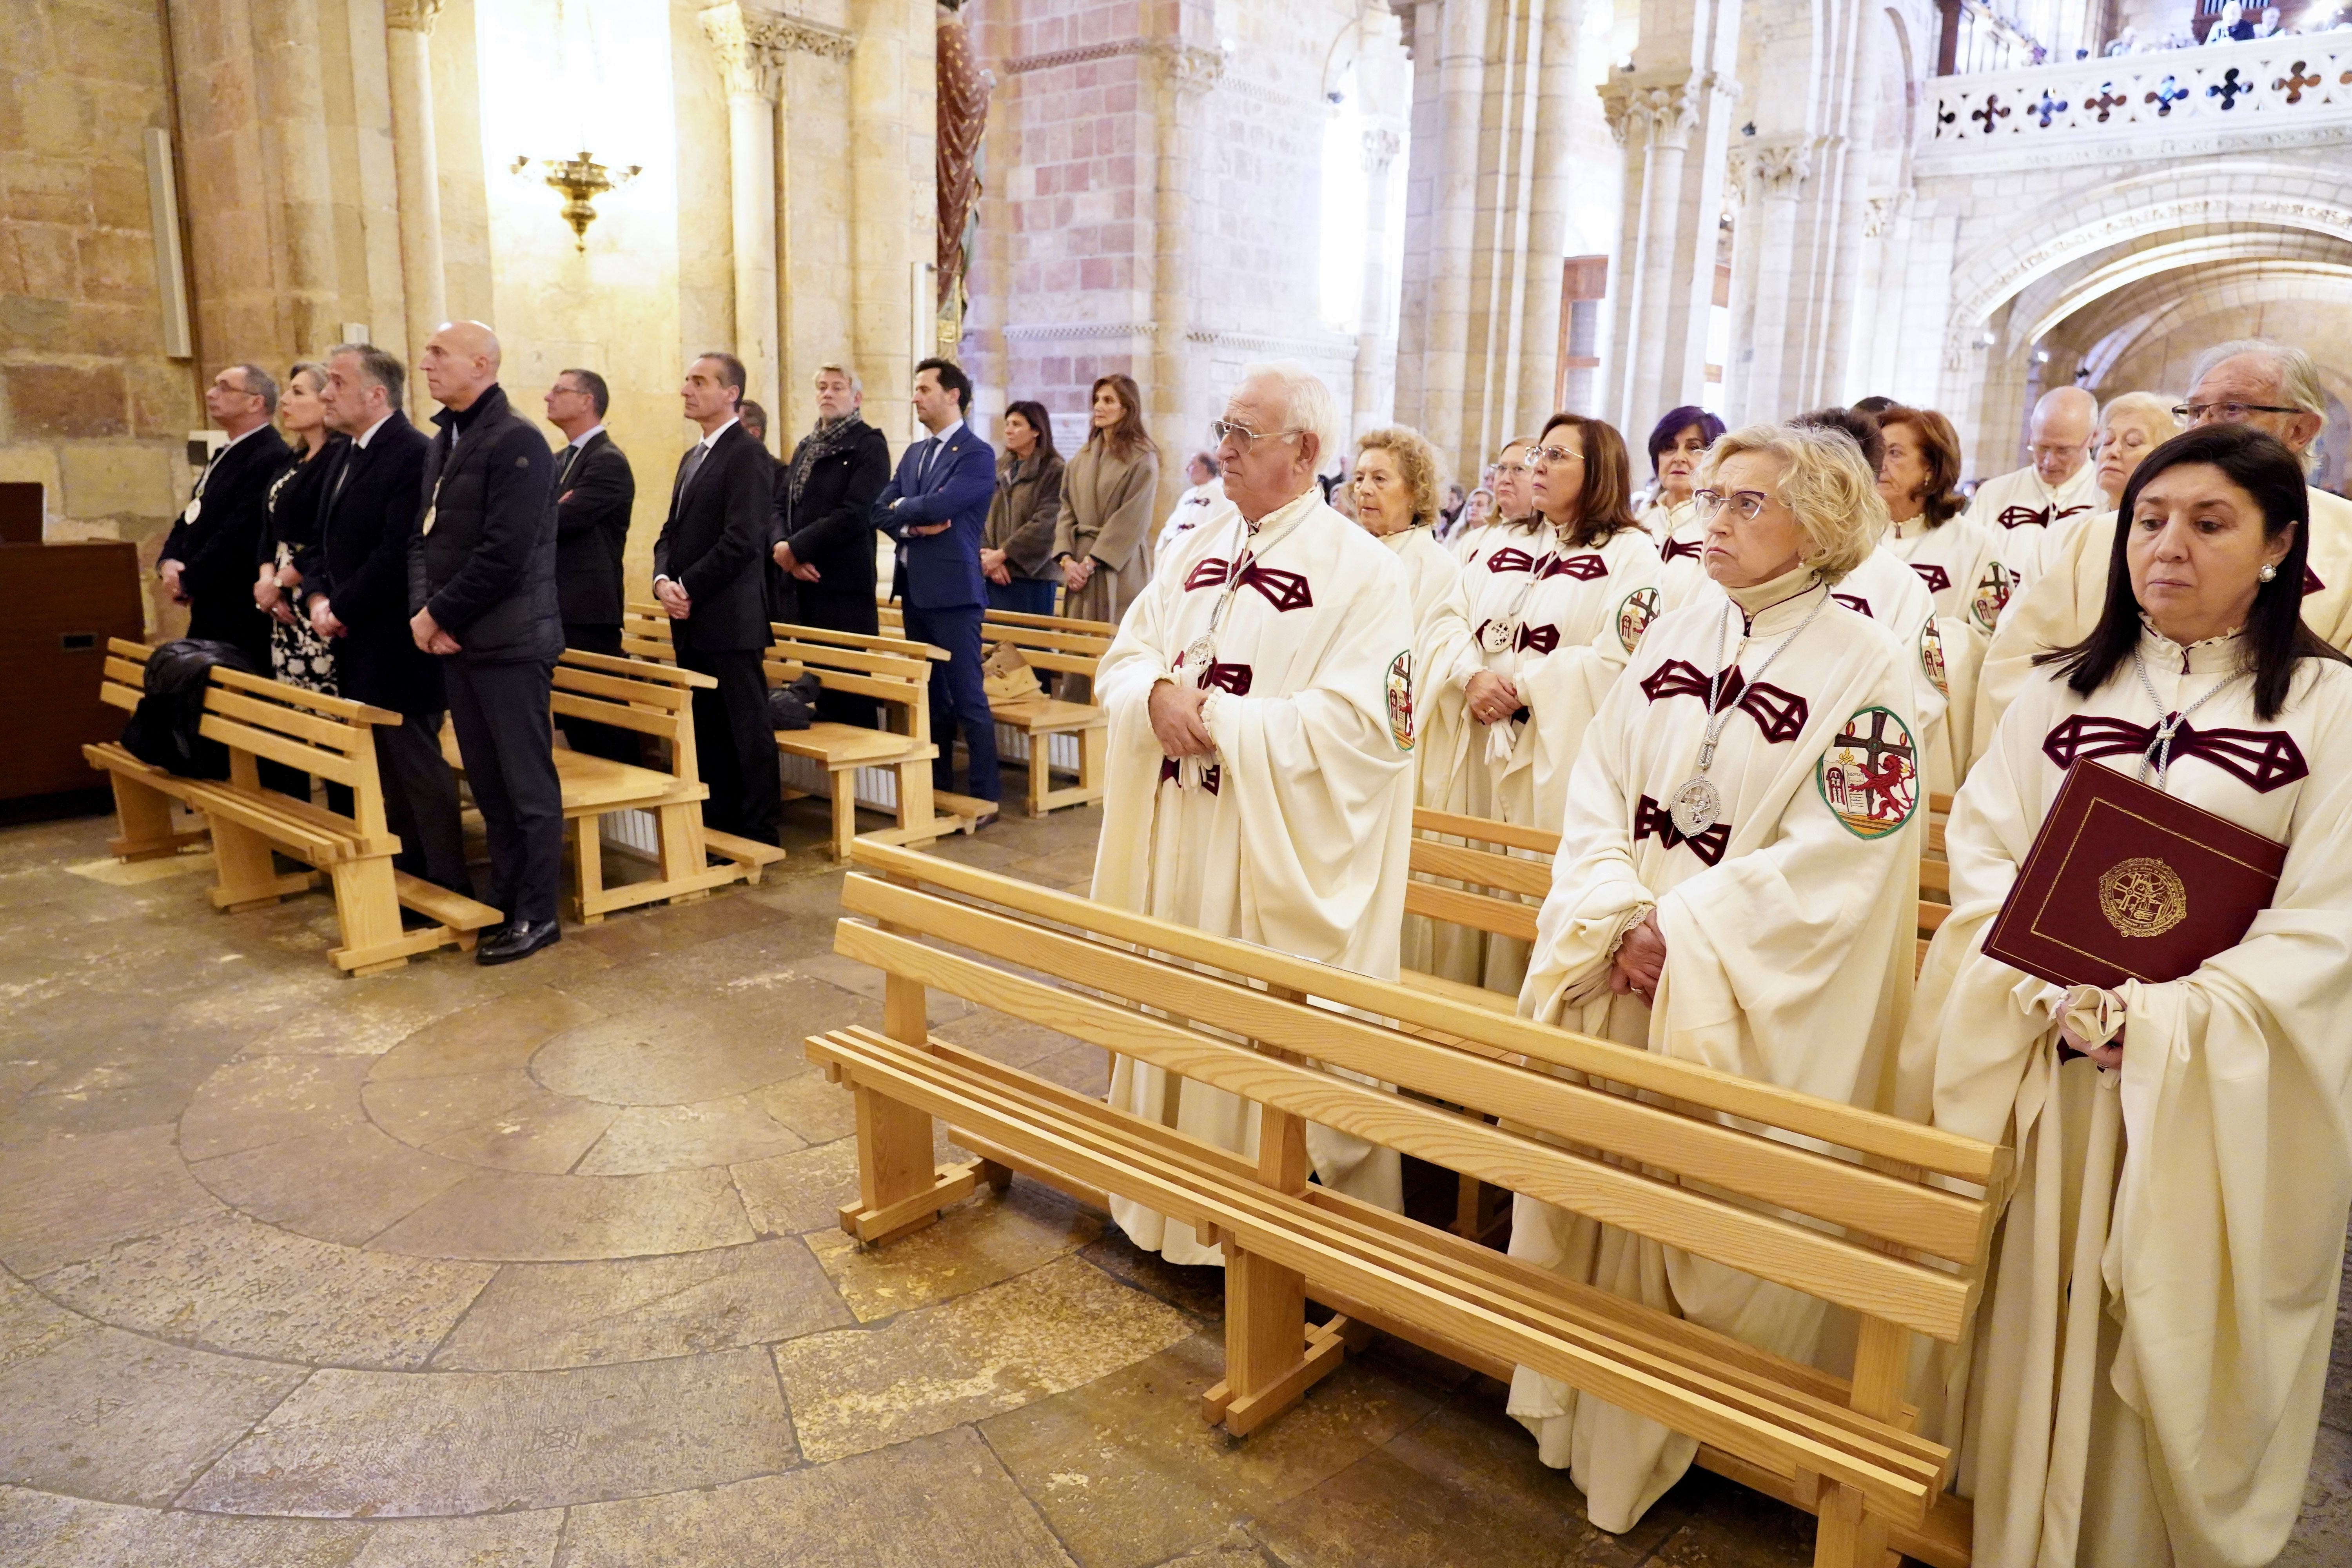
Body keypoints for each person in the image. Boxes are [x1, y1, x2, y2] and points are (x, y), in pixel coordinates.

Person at [1898, 426, 2352, 1568]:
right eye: (2148, 520)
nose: (2167, 545)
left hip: (2194, 1092)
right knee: (2026, 1318)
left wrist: (2165, 1021)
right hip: (2044, 1067)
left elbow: (2325, 922)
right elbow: (1987, 846)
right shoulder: (2057, 692)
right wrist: (2034, 981)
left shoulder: (2326, 715)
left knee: (2155, 1343)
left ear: (2277, 546)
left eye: (2208, 523)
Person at [1506, 423, 1924, 1532]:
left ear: (1823, 525)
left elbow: (1848, 858)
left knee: (1682, 1209)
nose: (1716, 521)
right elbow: (1597, 780)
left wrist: (1681, 930)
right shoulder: (1683, 625)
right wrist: (1613, 912)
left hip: (1719, 992)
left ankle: (1669, 1431)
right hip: (1624, 961)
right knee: (1595, 1195)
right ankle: (1571, 1397)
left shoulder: (1871, 669)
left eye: (1750, 505)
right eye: (1716, 501)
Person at [1096, 361, 1415, 1263]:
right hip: (1181, 840)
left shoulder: (1365, 573)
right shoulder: (1202, 543)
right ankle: (1161, 1198)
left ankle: (1256, 1228)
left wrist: (1219, 722)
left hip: (1260, 848)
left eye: (1243, 433)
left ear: (1305, 452)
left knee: (1246, 1028)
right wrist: (1155, 691)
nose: (1221, 448)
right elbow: (1128, 656)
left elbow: (1369, 730)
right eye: (1224, 428)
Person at [1975, 343, 2352, 760]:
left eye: (2231, 409)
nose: (2204, 426)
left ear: (2301, 429)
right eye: (2194, 410)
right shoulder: (2096, 540)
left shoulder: (2345, 545)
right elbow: (2016, 667)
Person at [407, 322, 563, 963]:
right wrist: (427, 611)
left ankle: (537, 914)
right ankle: (503, 900)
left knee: (526, 789)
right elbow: (426, 537)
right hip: (461, 641)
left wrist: (437, 613)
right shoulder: (447, 438)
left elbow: (506, 553)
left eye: (439, 354)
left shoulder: (519, 440)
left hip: (511, 643)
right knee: (490, 787)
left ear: (482, 363)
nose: (426, 364)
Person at [299, 343, 467, 893]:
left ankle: (445, 882)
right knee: (385, 770)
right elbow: (322, 542)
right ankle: (408, 877)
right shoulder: (347, 454)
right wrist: (320, 598)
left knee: (417, 767)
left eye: (338, 383)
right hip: (355, 636)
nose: (327, 392)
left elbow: (400, 551)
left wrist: (339, 607)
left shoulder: (412, 452)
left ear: (376, 394)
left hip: (399, 640)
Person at [1492, 415, 1665, 844]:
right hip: (1482, 738)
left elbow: (1623, 660)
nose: (1539, 466)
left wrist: (1521, 686)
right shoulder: (1505, 540)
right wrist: (1469, 676)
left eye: (1556, 456)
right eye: (1539, 454)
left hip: (1560, 746)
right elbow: (1450, 619)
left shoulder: (1632, 553)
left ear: (1598, 471)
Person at [1352, 425, 1476, 980]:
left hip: (1393, 745)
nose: (1365, 490)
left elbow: (1426, 661)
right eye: (1358, 478)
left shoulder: (1436, 568)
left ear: (1417, 491)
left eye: (1381, 479)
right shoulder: (1345, 554)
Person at [653, 352, 781, 844]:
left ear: (732, 394)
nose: (687, 389)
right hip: (691, 615)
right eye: (687, 380)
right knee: (709, 726)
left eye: (700, 382)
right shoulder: (694, 456)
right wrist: (663, 582)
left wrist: (688, 587)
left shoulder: (744, 453)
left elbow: (743, 539)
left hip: (730, 617)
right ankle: (721, 822)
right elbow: (671, 532)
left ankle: (759, 829)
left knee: (745, 727)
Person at [875, 357, 998, 805]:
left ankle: (986, 796)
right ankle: (939, 786)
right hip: (914, 589)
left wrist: (906, 508)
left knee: (968, 697)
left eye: (924, 389)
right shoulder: (915, 453)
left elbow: (946, 505)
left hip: (955, 593)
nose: (915, 398)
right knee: (931, 697)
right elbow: (878, 511)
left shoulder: (976, 453)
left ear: (953, 396)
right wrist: (911, 521)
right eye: (916, 389)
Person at [1878, 403, 1998, 786]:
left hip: (1934, 708)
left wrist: (1925, 642)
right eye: (1877, 452)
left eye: (1895, 453)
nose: (1881, 463)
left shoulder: (1974, 544)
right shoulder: (1853, 537)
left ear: (1931, 467)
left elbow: (1990, 638)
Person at [778, 362, 892, 727]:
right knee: (817, 686)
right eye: (823, 387)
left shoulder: (868, 445)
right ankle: (827, 784)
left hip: (845, 587)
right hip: (805, 583)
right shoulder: (806, 446)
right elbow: (781, 505)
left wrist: (796, 548)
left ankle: (864, 777)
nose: (828, 393)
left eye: (838, 388)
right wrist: (786, 552)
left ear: (856, 398)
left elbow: (856, 512)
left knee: (850, 693)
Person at [161, 363, 290, 666]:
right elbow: (192, 516)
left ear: (255, 402)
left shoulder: (269, 454)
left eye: (225, 387)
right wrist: (168, 561)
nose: (211, 394)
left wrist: (189, 580)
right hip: (209, 598)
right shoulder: (226, 451)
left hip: (238, 604)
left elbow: (240, 533)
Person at [543, 367, 638, 764]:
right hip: (559, 608)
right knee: (577, 722)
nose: (548, 396)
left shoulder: (607, 461)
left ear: (587, 401)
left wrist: (549, 508)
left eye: (559, 390)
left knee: (604, 725)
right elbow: (531, 512)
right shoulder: (559, 458)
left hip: (589, 612)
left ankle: (634, 819)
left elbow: (555, 521)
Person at [253, 362, 342, 699]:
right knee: (293, 699)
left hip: (313, 589)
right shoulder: (295, 458)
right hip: (280, 595)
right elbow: (268, 526)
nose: (286, 401)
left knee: (324, 700)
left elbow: (325, 536)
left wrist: (279, 583)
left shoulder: (336, 460)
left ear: (325, 402)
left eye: (298, 392)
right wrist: (266, 580)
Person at [1052, 372, 1160, 647]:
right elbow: (1066, 509)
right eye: (1097, 399)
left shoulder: (1143, 459)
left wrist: (1090, 563)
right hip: (1078, 568)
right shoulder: (1082, 457)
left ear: (1127, 409)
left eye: (1109, 400)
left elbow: (1132, 520)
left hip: (1118, 567)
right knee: (1078, 649)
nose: (1099, 406)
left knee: (1115, 647)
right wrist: (1067, 561)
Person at [1961, 387, 2101, 592]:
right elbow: (1965, 567)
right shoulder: (1994, 495)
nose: (2049, 462)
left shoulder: (2108, 499)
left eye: (2063, 450)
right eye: (2042, 447)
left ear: (2093, 437)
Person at [983, 400, 1065, 617]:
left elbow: (1046, 522)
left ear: (1037, 430)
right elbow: (980, 513)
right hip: (992, 573)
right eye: (1007, 424)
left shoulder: (1054, 470)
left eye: (1017, 425)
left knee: (1027, 648)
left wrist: (1004, 554)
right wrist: (988, 558)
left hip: (1032, 578)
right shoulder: (998, 467)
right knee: (992, 647)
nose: (1009, 430)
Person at [1640, 405, 1726, 612]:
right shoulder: (1637, 523)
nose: (1679, 458)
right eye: (1669, 447)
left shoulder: (1719, 528)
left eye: (1694, 448)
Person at [1152, 449, 1223, 573]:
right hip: (1178, 556)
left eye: (1191, 464)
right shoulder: (1188, 495)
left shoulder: (1221, 495)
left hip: (1199, 559)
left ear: (1204, 468)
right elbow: (1171, 525)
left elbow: (1219, 531)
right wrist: (1174, 537)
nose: (1187, 469)